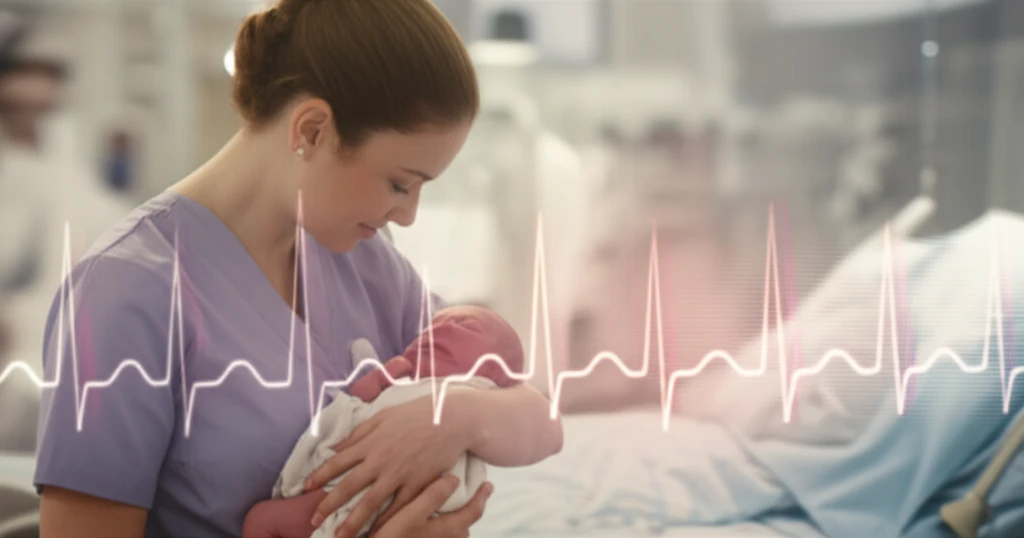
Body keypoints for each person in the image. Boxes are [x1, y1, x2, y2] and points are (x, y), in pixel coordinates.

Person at [33, 1, 563, 537]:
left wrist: (455, 417)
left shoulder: (365, 263)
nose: (408, 214)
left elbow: (539, 416)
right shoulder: (126, 294)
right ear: (311, 130)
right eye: (400, 183)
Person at [242, 304, 526, 538]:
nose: (436, 332)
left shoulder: (409, 378)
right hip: (410, 514)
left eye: (443, 338)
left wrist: (383, 377)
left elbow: (359, 397)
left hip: (346, 499)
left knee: (263, 521)